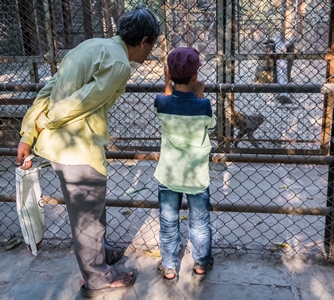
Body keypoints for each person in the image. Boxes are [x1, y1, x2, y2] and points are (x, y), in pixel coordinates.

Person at [15, 7, 160, 298]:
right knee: (87, 219)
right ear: (144, 40)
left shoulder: (92, 45)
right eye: (152, 45)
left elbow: (50, 88)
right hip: (78, 149)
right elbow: (81, 102)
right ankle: (97, 277)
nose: (150, 52)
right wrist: (46, 120)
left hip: (56, 146)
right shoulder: (119, 64)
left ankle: (102, 253)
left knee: (91, 209)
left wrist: (28, 132)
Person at [153, 47, 216, 286]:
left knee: (168, 222)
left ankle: (169, 266)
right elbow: (211, 125)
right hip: (196, 176)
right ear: (195, 76)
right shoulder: (204, 105)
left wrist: (168, 84)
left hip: (169, 175)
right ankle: (200, 262)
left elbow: (166, 103)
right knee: (200, 222)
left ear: (169, 73)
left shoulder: (162, 102)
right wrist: (199, 96)